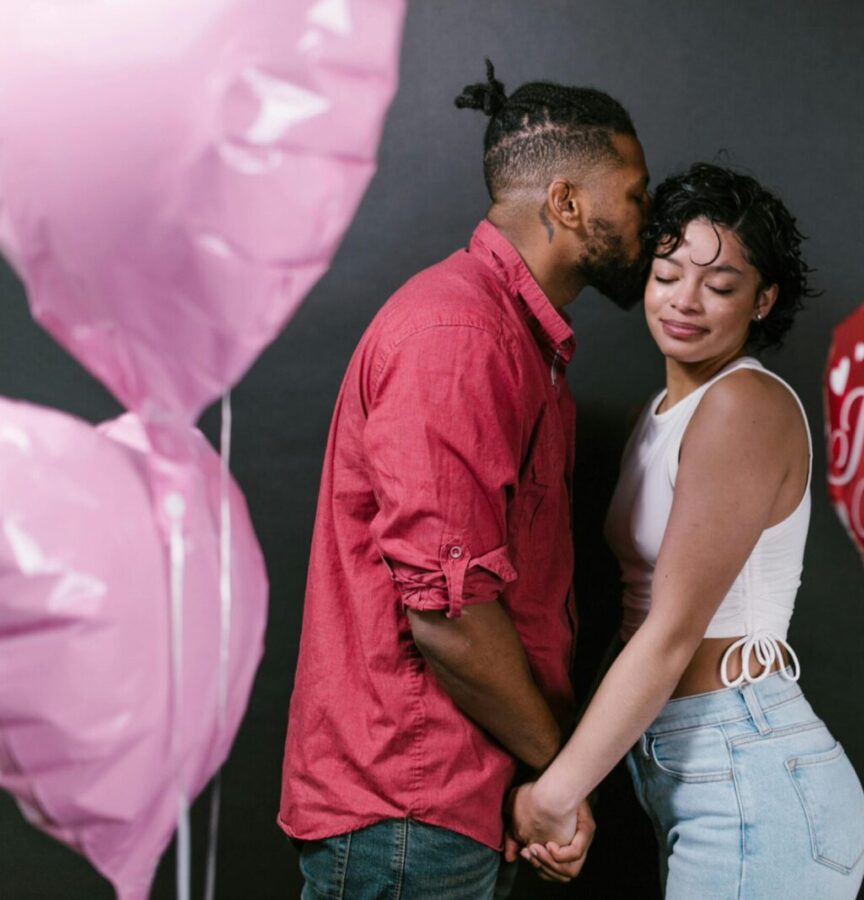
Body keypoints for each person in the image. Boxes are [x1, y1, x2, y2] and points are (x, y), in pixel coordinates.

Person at [277, 61, 650, 899]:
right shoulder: (462, 335)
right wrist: (560, 775)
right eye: (634, 193)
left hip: (446, 803)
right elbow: (447, 617)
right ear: (565, 203)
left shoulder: (512, 339)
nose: (646, 220)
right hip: (410, 809)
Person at [508, 163, 864, 898]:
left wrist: (553, 795)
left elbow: (672, 632)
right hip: (697, 766)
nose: (686, 301)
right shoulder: (665, 414)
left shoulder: (743, 406)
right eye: (668, 273)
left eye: (722, 285)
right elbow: (636, 618)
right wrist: (580, 780)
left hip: (751, 769)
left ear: (763, 299)